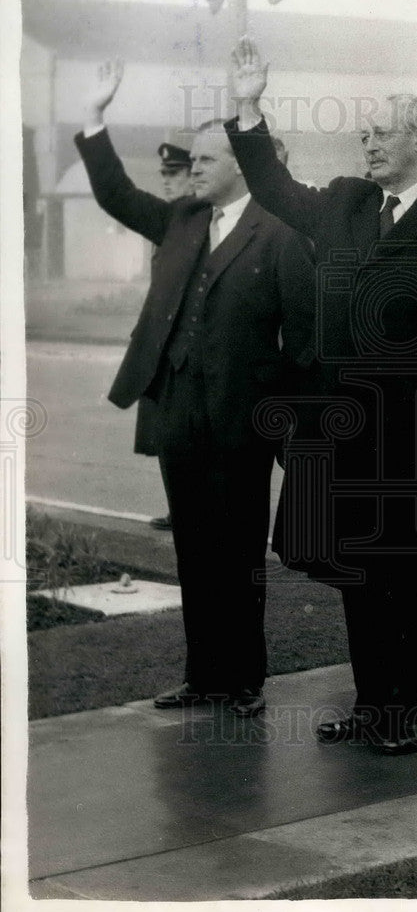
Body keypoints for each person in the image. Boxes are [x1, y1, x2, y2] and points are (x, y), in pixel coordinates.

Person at [225, 35, 417, 754]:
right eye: (362, 135)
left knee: (413, 574)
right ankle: (374, 702)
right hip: (345, 429)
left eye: (380, 134)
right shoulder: (345, 203)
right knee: (359, 572)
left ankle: (416, 708)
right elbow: (273, 188)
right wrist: (249, 107)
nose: (368, 144)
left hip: (416, 432)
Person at [75, 59, 315, 717]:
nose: (193, 165)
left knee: (239, 555)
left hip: (242, 419)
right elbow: (117, 196)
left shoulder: (282, 232)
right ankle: (203, 675)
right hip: (176, 411)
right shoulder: (181, 218)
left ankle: (243, 681)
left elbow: (304, 340)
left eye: (207, 157)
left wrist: (287, 423)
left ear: (240, 162)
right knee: (194, 549)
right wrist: (95, 120)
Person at [136, 142, 193, 532]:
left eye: (175, 174)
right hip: (162, 345)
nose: (167, 180)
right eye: (165, 174)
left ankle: (192, 512)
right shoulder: (168, 222)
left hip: (189, 345)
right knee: (165, 435)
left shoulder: (206, 221)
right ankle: (179, 511)